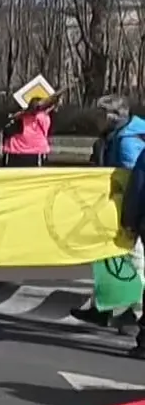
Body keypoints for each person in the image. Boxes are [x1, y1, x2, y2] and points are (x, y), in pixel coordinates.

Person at [72, 96, 145, 329]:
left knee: (134, 260)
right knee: (107, 257)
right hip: (113, 208)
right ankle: (104, 307)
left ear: (111, 117)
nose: (95, 120)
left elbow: (133, 182)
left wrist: (130, 216)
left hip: (127, 210)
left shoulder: (127, 142)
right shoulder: (115, 137)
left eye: (99, 115)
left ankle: (137, 313)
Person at [1, 91, 56, 165]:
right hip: (30, 150)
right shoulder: (41, 116)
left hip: (19, 150)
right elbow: (45, 131)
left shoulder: (21, 116)